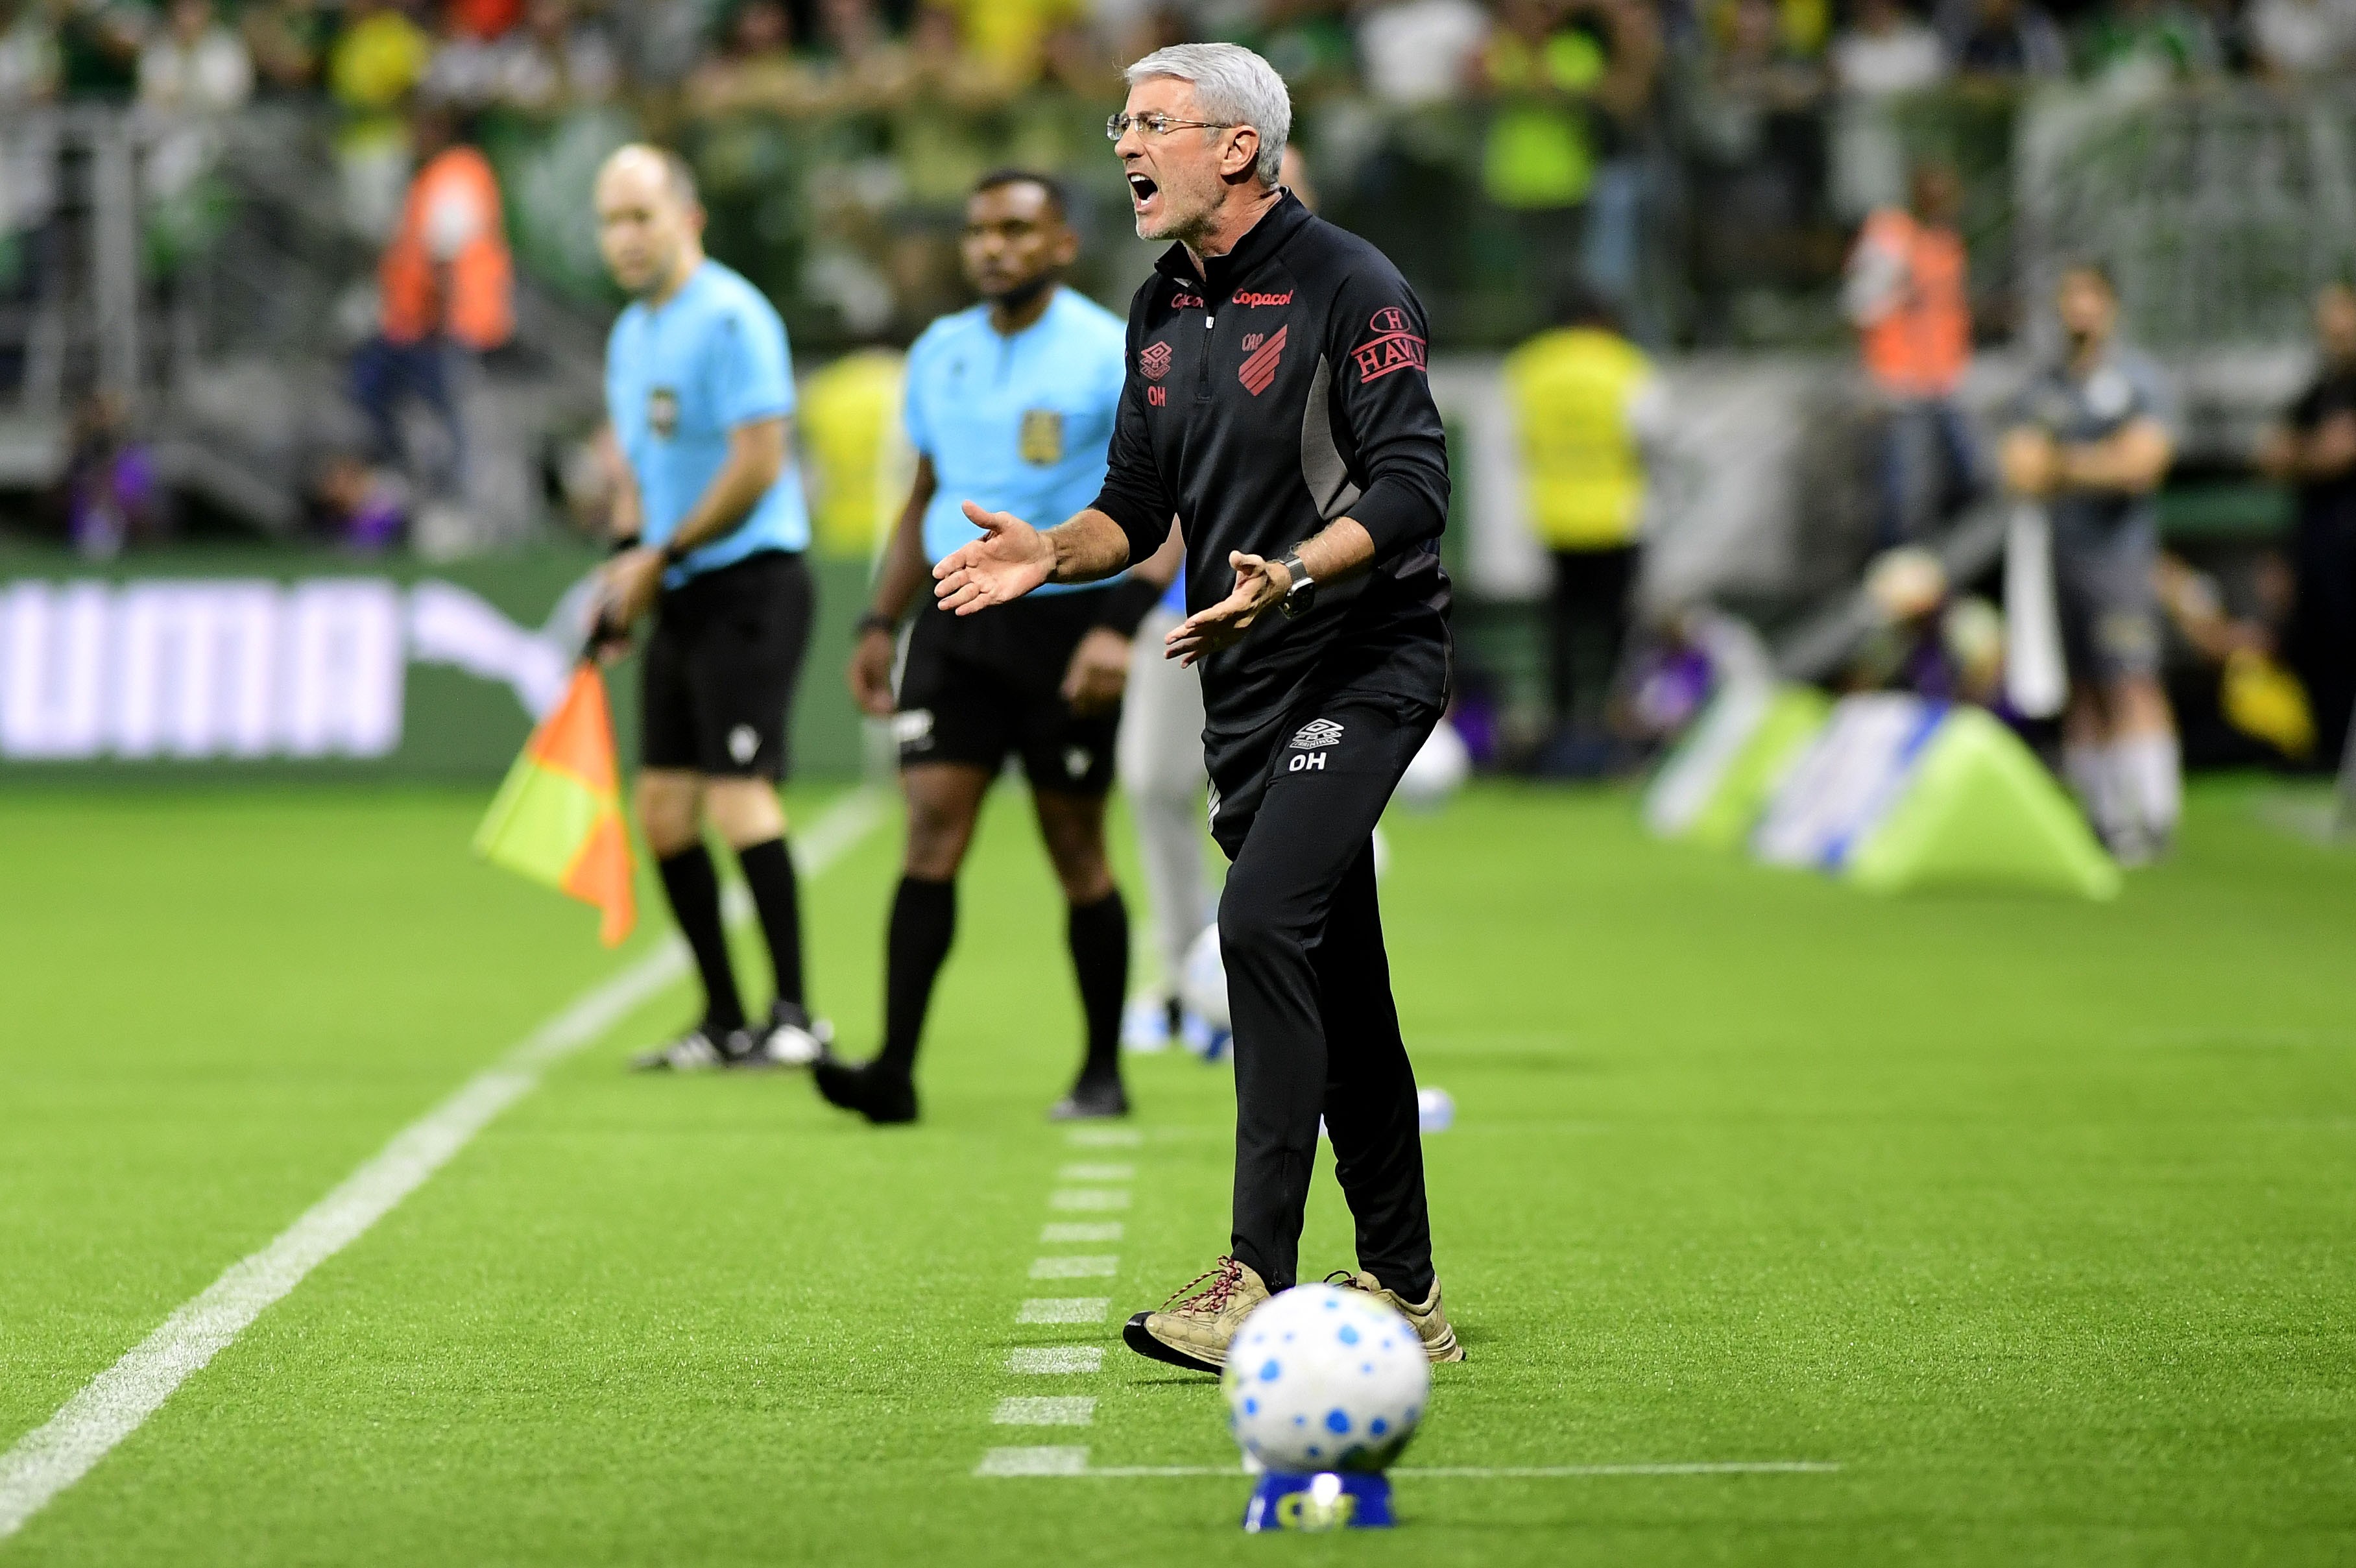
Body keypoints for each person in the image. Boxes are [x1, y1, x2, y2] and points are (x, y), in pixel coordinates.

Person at [930, 43, 1465, 1369]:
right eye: (1121, 120)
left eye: (1152, 122)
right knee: (1346, 979)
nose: (1123, 142)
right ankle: (1405, 1285)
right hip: (1243, 685)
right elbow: (1139, 505)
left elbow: (1408, 489)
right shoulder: (1160, 303)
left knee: (1260, 921)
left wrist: (1287, 574)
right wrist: (1049, 550)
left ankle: (1252, 1274)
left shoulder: (1351, 284)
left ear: (1236, 146)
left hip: (1364, 661)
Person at [820, 170, 1175, 1126]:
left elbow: (1169, 507)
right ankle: (893, 1068)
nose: (993, 247)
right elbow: (923, 492)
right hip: (954, 612)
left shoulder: (1112, 350)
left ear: (1063, 243)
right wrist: (877, 621)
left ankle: (1102, 1071)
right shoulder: (939, 351)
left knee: (1075, 847)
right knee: (931, 826)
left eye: (1018, 229)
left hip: (1068, 619)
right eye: (979, 230)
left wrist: (1116, 629)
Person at [588, 143, 828, 1072]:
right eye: (611, 220)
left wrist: (663, 555)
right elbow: (635, 476)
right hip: (677, 585)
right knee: (661, 809)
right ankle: (725, 1019)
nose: (625, 237)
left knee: (737, 794)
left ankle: (796, 1014)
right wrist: (623, 575)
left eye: (641, 216)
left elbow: (759, 459)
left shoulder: (731, 315)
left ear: (688, 217)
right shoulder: (631, 332)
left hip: (750, 581)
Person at [1118, 139, 1315, 1056]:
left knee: (1301, 823)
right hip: (1182, 616)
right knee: (1155, 784)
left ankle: (1296, 1016)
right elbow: (1161, 487)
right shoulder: (1177, 318)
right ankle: (1180, 981)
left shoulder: (1341, 310)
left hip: (1300, 613)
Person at [2000, 260, 2181, 862]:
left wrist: (2064, 464)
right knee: (2081, 687)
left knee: (2130, 678)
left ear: (2110, 305)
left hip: (2120, 559)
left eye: (2090, 296)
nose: (2080, 309)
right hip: (2061, 557)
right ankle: (2102, 816)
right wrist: (2096, 459)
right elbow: (2019, 468)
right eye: (2069, 296)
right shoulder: (2044, 388)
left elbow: (2142, 465)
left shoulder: (2139, 381)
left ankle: (2153, 816)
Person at [1502, 288, 1662, 770]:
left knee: (1562, 635)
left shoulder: (1530, 367)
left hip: (1556, 519)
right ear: (1604, 320)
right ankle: (1617, 737)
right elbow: (1652, 437)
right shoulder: (1626, 365)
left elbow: (1519, 440)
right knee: (1617, 633)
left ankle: (1563, 732)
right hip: (1617, 518)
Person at [349, 101, 512, 500]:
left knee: (451, 417)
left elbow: (447, 255)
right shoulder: (443, 174)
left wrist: (440, 320)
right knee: (383, 395)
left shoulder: (454, 173)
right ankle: (426, 490)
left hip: (444, 324)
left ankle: (457, 504)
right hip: (422, 323)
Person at [1844, 161, 1978, 549]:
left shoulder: (1946, 242)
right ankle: (1893, 566)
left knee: (1965, 479)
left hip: (1942, 382)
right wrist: (1900, 286)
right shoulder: (1891, 236)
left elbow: (1951, 311)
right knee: (1899, 494)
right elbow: (1861, 303)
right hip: (1898, 383)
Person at [2257, 281, 2356, 769]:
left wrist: (2307, 453)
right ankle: (2331, 752)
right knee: (2318, 648)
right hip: (2318, 544)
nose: (2332, 327)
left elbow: (2337, 453)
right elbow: (2274, 453)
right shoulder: (2320, 388)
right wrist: (2308, 452)